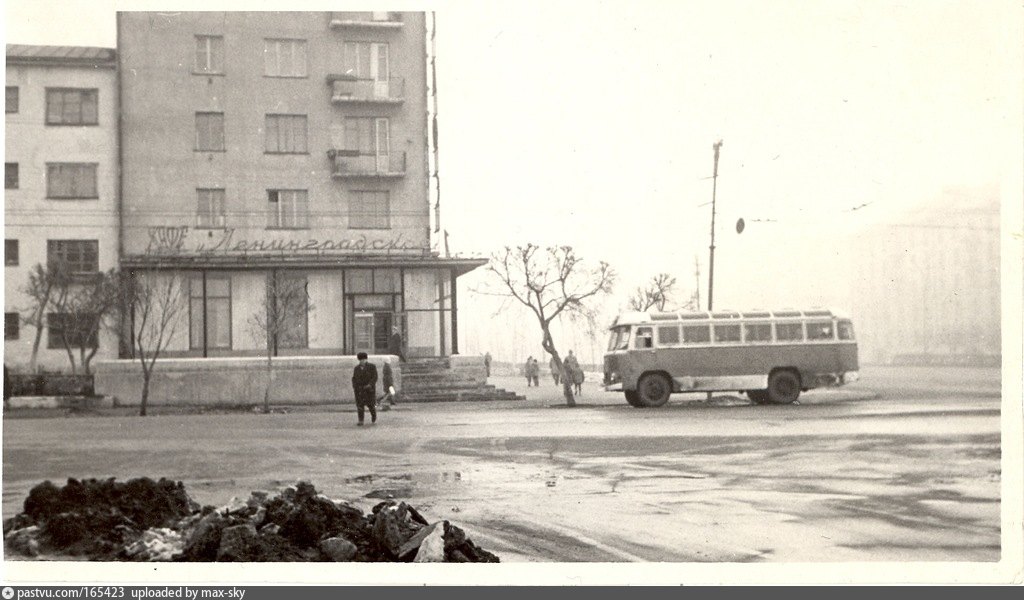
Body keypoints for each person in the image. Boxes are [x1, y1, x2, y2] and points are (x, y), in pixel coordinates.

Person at [351, 352, 378, 426]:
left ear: (366, 359)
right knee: (360, 406)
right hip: (360, 390)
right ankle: (361, 420)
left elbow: (375, 377)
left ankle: (374, 416)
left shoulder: (372, 367)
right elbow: (354, 378)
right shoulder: (356, 368)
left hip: (369, 390)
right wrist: (355, 386)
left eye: (364, 359)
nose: (362, 361)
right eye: (361, 360)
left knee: (371, 405)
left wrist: (370, 385)